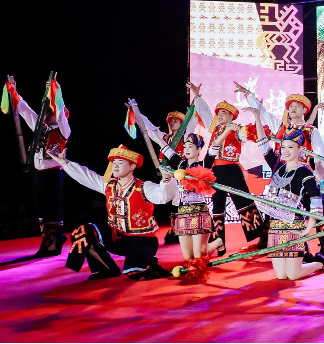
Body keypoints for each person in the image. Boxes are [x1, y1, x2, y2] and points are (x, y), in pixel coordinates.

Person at [235, 82, 324, 256]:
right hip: (282, 172)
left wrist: (318, 175)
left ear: (304, 110)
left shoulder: (311, 130)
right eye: (290, 106)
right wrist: (249, 95)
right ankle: (267, 243)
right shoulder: (281, 128)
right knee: (275, 206)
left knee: (319, 207)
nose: (293, 108)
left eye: (297, 106)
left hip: (302, 174)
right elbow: (263, 114)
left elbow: (320, 153)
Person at [51, 146, 175, 281]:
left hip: (142, 241)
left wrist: (167, 180)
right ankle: (107, 268)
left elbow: (164, 196)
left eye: (120, 163)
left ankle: (149, 264)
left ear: (132, 166)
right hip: (118, 239)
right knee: (84, 231)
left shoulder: (143, 187)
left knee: (134, 273)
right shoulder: (109, 185)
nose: (115, 166)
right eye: (114, 162)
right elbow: (86, 176)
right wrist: (63, 162)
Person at [253, 108, 324, 280]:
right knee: (281, 276)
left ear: (300, 149)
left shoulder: (305, 172)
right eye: (283, 147)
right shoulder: (277, 166)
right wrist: (257, 117)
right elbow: (263, 143)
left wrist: (309, 228)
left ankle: (319, 263)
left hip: (294, 226)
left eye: (290, 147)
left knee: (293, 275)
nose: (286, 150)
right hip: (275, 226)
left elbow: (315, 200)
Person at [11, 79, 71, 258]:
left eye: (49, 112)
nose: (45, 114)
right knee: (41, 209)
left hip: (52, 174)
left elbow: (60, 111)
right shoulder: (40, 126)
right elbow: (25, 110)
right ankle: (48, 241)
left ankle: (53, 245)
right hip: (38, 173)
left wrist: (54, 93)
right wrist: (14, 93)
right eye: (45, 111)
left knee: (52, 209)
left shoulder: (63, 129)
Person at [206, 101, 267, 256]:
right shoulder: (216, 130)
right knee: (217, 206)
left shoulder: (237, 129)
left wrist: (253, 122)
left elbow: (246, 135)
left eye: (223, 113)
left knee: (244, 203)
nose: (220, 116)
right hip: (215, 171)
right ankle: (219, 241)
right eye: (218, 113)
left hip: (232, 170)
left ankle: (262, 237)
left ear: (231, 116)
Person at [153, 132, 215, 261]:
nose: (186, 149)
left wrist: (226, 130)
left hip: (199, 212)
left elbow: (215, 146)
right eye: (185, 147)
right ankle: (217, 243)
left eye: (190, 147)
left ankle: (217, 242)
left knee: (198, 256)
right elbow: (166, 148)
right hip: (182, 212)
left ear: (199, 149)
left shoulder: (204, 164)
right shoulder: (181, 165)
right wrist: (152, 134)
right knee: (188, 257)